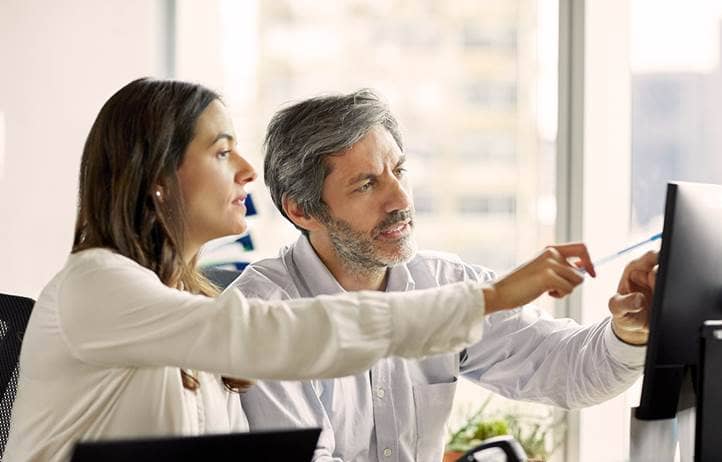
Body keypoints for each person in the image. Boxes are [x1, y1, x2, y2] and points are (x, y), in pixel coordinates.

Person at [3, 79, 592, 462]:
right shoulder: (96, 286)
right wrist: (487, 297)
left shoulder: (194, 307)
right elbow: (287, 334)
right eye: (220, 150)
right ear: (158, 178)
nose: (247, 171)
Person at [235, 89, 657, 462]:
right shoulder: (259, 314)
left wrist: (629, 333)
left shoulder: (444, 281)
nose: (400, 199)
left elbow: (563, 370)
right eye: (366, 185)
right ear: (301, 210)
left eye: (399, 171)